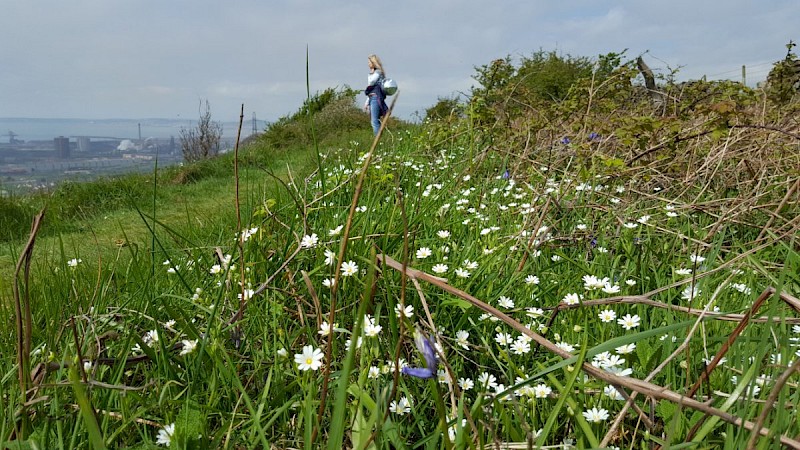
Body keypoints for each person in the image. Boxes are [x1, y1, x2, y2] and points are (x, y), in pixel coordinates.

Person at [364, 54, 389, 135]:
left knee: (374, 121)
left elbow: (371, 83)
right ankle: (379, 137)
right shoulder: (373, 73)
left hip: (376, 98)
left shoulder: (377, 72)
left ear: (373, 62)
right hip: (372, 97)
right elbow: (370, 89)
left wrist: (370, 74)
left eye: (369, 62)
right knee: (375, 120)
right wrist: (367, 102)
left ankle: (377, 139)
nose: (368, 64)